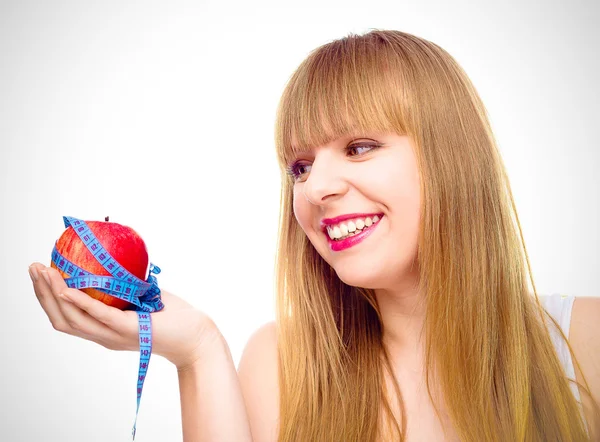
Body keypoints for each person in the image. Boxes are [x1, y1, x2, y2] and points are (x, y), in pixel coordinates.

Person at [29, 29, 599, 441]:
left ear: (453, 159)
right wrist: (198, 353)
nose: (314, 188)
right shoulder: (280, 364)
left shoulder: (585, 343)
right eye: (299, 166)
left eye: (359, 147)